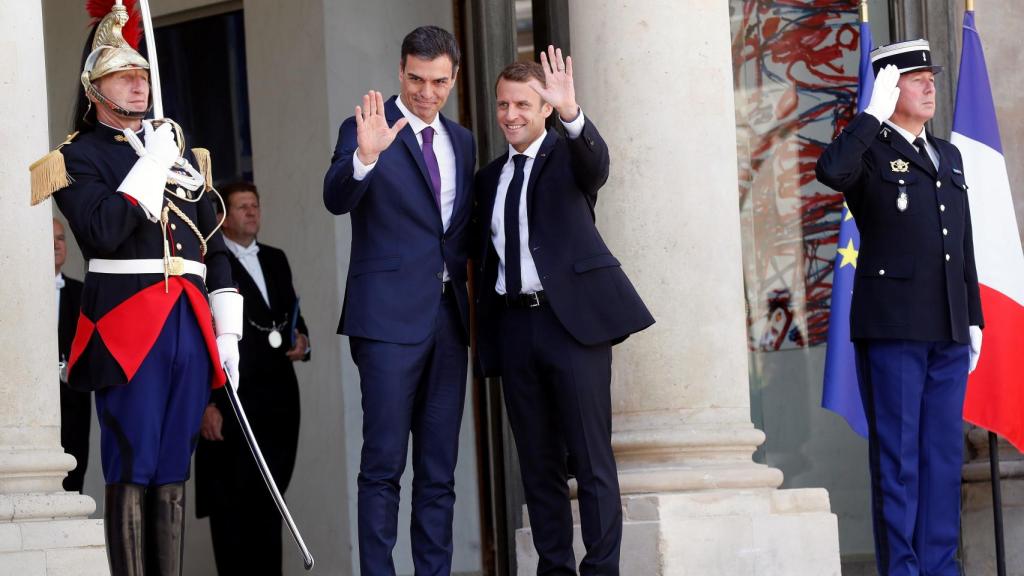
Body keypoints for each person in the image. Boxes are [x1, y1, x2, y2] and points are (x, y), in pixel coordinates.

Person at [32, 3, 242, 574]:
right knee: (133, 461)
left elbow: (212, 246)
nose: (140, 83)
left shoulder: (179, 150)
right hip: (127, 323)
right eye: (126, 75)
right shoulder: (77, 156)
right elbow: (101, 231)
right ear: (95, 88)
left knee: (174, 464)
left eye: (144, 74)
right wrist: (149, 166)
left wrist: (228, 332)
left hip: (189, 324)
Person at [472, 49, 654, 575]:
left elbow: (596, 164)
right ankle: (554, 568)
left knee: (592, 460)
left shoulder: (567, 157)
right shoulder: (488, 179)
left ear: (544, 108)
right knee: (538, 465)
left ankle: (601, 570)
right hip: (514, 326)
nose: (511, 115)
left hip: (571, 326)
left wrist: (573, 115)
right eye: (504, 104)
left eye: (523, 104)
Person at [816, 39, 984, 576]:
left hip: (948, 325)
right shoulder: (865, 149)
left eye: (930, 76)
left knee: (941, 459)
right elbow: (831, 172)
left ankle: (941, 567)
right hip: (894, 326)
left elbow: (963, 242)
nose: (930, 85)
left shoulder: (948, 156)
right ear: (889, 88)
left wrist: (974, 314)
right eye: (915, 78)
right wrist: (867, 115)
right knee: (900, 462)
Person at [322, 25, 476, 575]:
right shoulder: (366, 127)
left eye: (438, 82)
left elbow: (461, 233)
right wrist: (363, 158)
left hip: (448, 323)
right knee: (384, 466)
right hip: (386, 322)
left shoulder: (463, 140)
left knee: (439, 473)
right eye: (415, 79)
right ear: (400, 71)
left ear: (454, 79)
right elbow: (335, 197)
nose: (425, 93)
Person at [195, 181, 309, 576]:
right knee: (232, 515)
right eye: (242, 206)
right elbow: (201, 332)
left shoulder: (276, 258)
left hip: (278, 405)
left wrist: (302, 340)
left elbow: (292, 314)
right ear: (223, 218)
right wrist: (206, 404)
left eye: (255, 205)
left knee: (270, 507)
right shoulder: (210, 262)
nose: (251, 212)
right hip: (231, 405)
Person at [54, 217, 91, 494]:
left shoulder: (82, 293)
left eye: (61, 239)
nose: (56, 245)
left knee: (73, 481)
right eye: (50, 238)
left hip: (74, 404)